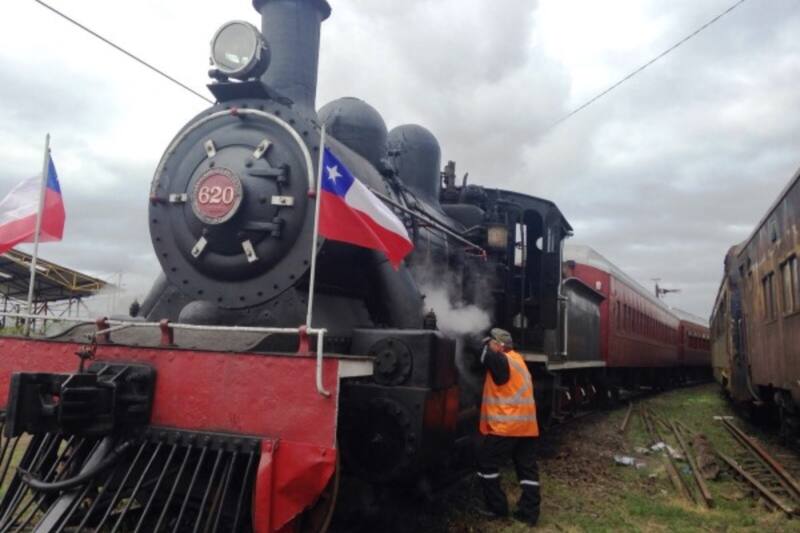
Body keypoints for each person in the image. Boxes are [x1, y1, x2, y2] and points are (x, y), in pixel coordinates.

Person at [476, 327, 540, 525]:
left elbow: (483, 352)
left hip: (508, 425)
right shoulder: (517, 359)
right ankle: (529, 514)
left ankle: (497, 508)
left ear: (498, 345)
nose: (489, 345)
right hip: (527, 426)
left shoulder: (500, 359)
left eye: (492, 342)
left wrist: (479, 339)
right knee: (527, 469)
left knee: (486, 462)